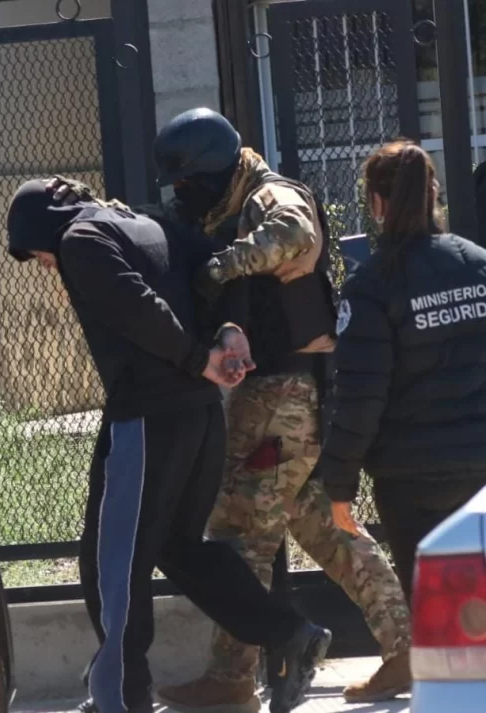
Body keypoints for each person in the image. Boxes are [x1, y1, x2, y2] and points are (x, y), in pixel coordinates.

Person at [6, 179, 332, 713]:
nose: (44, 264)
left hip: (147, 419)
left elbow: (138, 306)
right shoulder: (148, 223)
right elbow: (222, 265)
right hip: (200, 416)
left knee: (112, 563)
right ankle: (288, 633)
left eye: (37, 253)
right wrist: (230, 329)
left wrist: (198, 357)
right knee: (178, 547)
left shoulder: (81, 240)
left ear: (45, 226)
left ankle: (122, 697)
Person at [152, 109, 412, 712]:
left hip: (282, 397)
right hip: (292, 392)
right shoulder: (237, 204)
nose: (185, 195)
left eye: (189, 182)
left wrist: (219, 267)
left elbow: (296, 234)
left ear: (214, 169)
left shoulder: (270, 196)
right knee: (325, 527)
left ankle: (231, 677)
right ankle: (406, 646)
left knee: (241, 531)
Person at [314, 139, 486, 604]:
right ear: (434, 194)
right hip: (480, 470)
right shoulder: (477, 264)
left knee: (438, 612)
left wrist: (340, 484)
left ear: (376, 203)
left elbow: (359, 397)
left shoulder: (372, 284)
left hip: (411, 480)